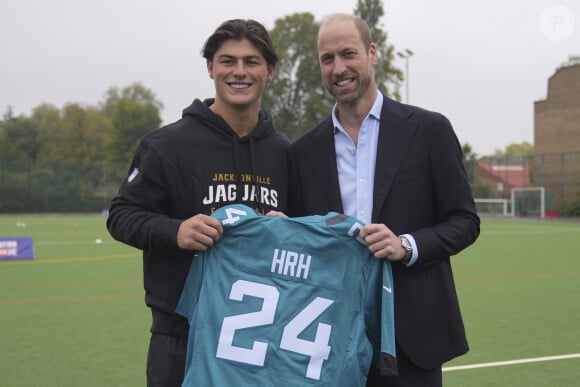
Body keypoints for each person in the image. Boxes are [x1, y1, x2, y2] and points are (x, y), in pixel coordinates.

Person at [287, 13, 480, 387]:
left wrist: (406, 245)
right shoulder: (303, 151)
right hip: (329, 336)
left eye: (348, 54)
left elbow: (464, 221)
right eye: (328, 59)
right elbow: (303, 240)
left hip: (412, 337)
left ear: (372, 53)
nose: (338, 68)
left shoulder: (429, 131)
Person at [106, 19, 290, 387]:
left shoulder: (286, 153)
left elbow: (307, 230)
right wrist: (177, 231)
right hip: (182, 338)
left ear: (269, 71)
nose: (239, 72)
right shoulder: (166, 145)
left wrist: (290, 228)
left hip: (263, 339)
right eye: (227, 61)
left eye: (251, 62)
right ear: (210, 68)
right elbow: (121, 215)